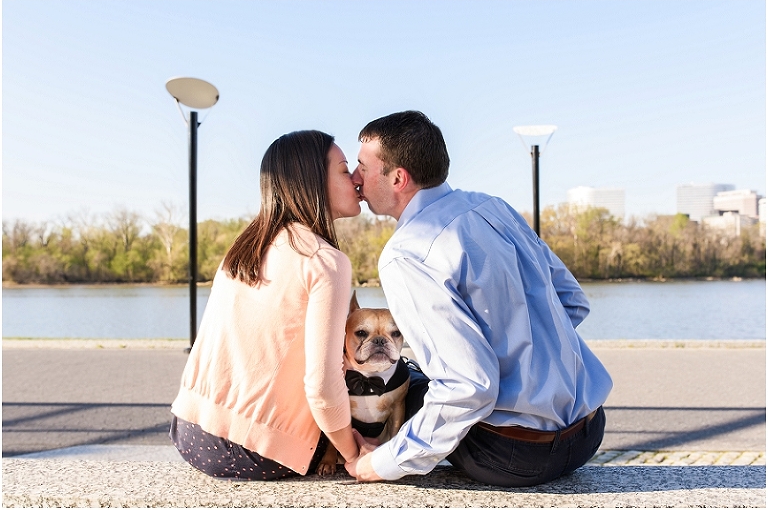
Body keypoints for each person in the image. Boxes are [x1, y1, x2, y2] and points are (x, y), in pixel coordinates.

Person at [344, 111, 613, 487]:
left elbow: (468, 386)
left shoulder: (407, 254)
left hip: (513, 455)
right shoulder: (494, 208)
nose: (355, 177)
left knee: (405, 377)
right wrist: (527, 365)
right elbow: (572, 302)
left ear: (398, 178)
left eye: (361, 166)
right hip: (588, 433)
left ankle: (367, 448)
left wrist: (384, 465)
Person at [170, 130, 363, 480]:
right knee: (400, 385)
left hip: (189, 430)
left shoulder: (246, 245)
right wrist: (353, 454)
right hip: (254, 450)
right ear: (312, 182)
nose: (356, 180)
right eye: (344, 169)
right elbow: (321, 386)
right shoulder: (323, 260)